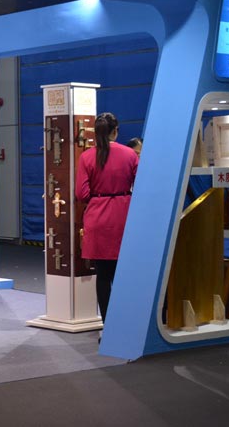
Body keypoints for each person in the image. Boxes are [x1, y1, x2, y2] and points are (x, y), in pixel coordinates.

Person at [76, 113, 138, 325]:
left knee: (102, 275)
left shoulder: (86, 157)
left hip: (98, 217)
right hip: (123, 215)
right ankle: (126, 323)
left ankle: (107, 325)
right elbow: (141, 184)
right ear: (116, 131)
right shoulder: (130, 154)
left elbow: (82, 194)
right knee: (124, 273)